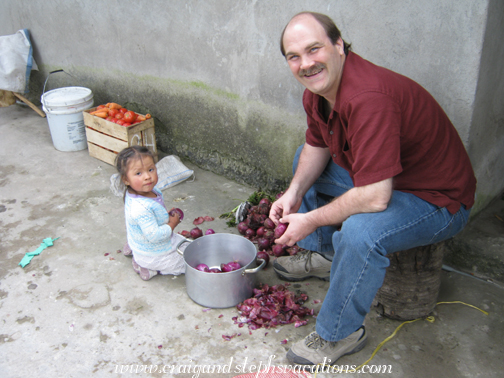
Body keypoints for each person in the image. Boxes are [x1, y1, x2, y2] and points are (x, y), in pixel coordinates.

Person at [270, 11, 477, 366]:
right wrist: (292, 194)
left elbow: (375, 195)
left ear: (338, 45)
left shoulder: (368, 98)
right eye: (294, 56)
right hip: (390, 178)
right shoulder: (318, 93)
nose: (306, 64)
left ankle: (340, 332)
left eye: (314, 49)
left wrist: (312, 219)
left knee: (361, 232)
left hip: (437, 199)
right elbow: (318, 146)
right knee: (302, 163)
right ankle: (323, 256)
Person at [115, 146, 185, 281]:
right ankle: (143, 265)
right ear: (126, 179)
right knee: (185, 263)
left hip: (141, 240)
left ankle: (134, 247)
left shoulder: (146, 191)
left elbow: (150, 216)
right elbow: (155, 236)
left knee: (187, 245)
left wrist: (165, 215)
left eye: (151, 170)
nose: (147, 176)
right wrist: (171, 224)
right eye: (138, 173)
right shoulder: (140, 208)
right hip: (153, 253)